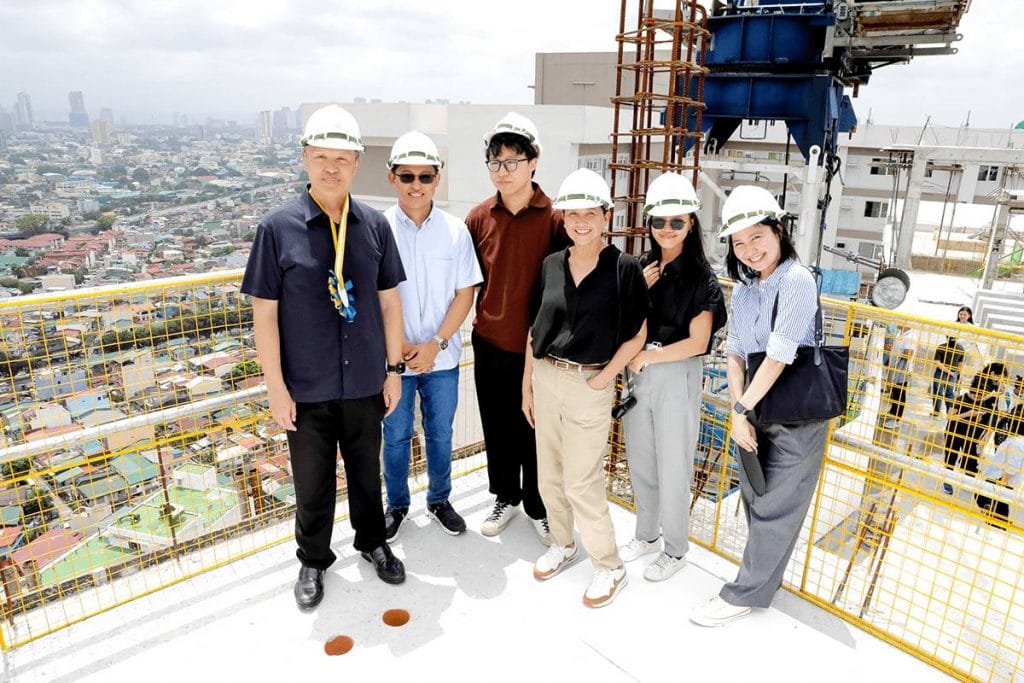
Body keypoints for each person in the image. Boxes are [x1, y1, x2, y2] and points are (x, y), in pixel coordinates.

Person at [242, 105, 408, 611]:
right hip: (306, 386)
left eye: (341, 158)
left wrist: (394, 370)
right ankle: (313, 560)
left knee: (366, 473)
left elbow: (389, 303)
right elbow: (264, 315)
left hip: (364, 381)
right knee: (311, 482)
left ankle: (373, 542)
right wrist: (275, 387)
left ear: (357, 163)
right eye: (321, 157)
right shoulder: (278, 228)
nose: (331, 168)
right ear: (305, 159)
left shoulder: (374, 226)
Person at [689, 185, 826, 628]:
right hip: (754, 407)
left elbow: (779, 354)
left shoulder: (797, 280)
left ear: (778, 230)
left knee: (776, 507)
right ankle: (765, 579)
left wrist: (739, 411)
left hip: (796, 414)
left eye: (757, 237)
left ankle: (744, 593)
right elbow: (734, 353)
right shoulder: (745, 291)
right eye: (739, 242)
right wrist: (740, 409)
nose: (749, 250)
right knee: (755, 496)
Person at [523, 168, 648, 607]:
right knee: (548, 474)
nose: (580, 222)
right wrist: (527, 387)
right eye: (572, 214)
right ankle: (563, 543)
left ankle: (610, 566)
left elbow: (637, 334)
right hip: (546, 376)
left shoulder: (624, 269)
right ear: (562, 217)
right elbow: (533, 332)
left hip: (589, 383)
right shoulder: (551, 265)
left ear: (605, 216)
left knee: (581, 481)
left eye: (589, 213)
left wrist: (605, 376)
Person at [618, 172, 726, 583]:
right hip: (639, 372)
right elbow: (621, 319)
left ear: (691, 224)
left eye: (676, 221)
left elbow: (698, 342)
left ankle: (676, 548)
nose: (667, 229)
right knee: (641, 458)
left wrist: (647, 356)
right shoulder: (641, 267)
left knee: (674, 464)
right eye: (659, 221)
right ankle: (646, 535)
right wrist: (638, 291)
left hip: (674, 373)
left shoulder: (701, 278)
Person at [466, 112, 566, 543]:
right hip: (490, 341)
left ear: (533, 162)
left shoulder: (556, 218)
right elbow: (469, 281)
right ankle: (505, 496)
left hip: (538, 348)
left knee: (535, 429)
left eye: (512, 161)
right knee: (498, 426)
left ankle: (539, 506)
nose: (502, 171)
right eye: (495, 162)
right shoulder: (478, 218)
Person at [381, 131, 483, 539]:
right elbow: (372, 297)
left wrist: (435, 344)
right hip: (394, 361)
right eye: (407, 176)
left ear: (437, 179)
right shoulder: (377, 229)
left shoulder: (456, 231)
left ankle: (439, 500)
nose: (416, 185)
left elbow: (465, 293)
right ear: (392, 178)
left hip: (442, 358)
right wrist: (402, 347)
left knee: (440, 435)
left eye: (425, 176)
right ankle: (397, 506)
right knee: (395, 437)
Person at [941, 362, 1007, 496]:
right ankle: (947, 480)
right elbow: (950, 416)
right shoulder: (962, 399)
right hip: (955, 431)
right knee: (951, 457)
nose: (980, 397)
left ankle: (969, 479)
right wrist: (969, 413)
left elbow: (990, 414)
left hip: (972, 431)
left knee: (970, 457)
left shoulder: (985, 400)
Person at [976, 403, 1024, 530]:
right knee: (996, 508)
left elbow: (1011, 468)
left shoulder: (1017, 443)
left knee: (983, 497)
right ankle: (996, 523)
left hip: (1000, 480)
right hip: (1000, 479)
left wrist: (1001, 485)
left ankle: (997, 525)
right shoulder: (1015, 440)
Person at [930, 336, 965, 417]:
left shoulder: (942, 347)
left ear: (947, 338)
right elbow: (960, 364)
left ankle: (937, 413)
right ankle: (949, 413)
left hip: (942, 373)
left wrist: (957, 375)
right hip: (951, 374)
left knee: (939, 393)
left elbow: (937, 362)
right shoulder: (960, 348)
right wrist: (957, 375)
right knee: (949, 394)